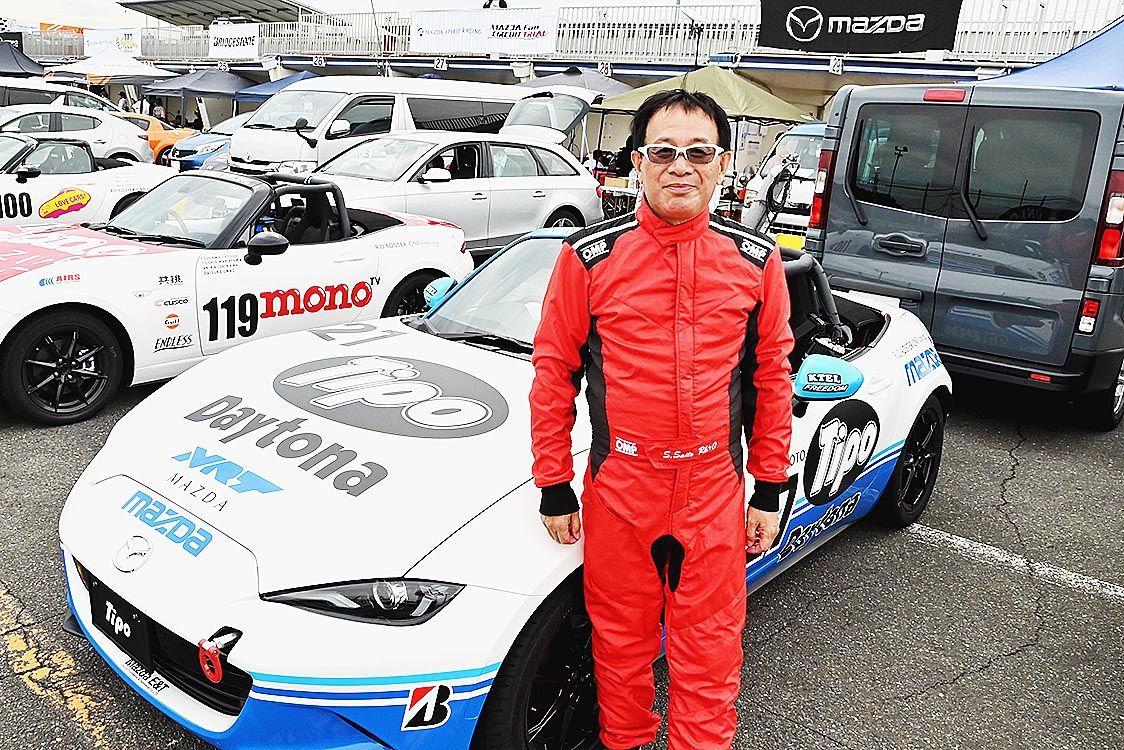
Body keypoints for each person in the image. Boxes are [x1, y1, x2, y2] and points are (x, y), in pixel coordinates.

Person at [530, 89, 794, 750]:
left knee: (710, 657)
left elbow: (771, 379)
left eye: (699, 152)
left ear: (723, 163)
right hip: (622, 489)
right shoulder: (588, 257)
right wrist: (553, 483)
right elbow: (553, 371)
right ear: (638, 162)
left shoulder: (756, 260)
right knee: (619, 651)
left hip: (713, 493)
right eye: (664, 151)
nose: (681, 166)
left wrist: (768, 489)